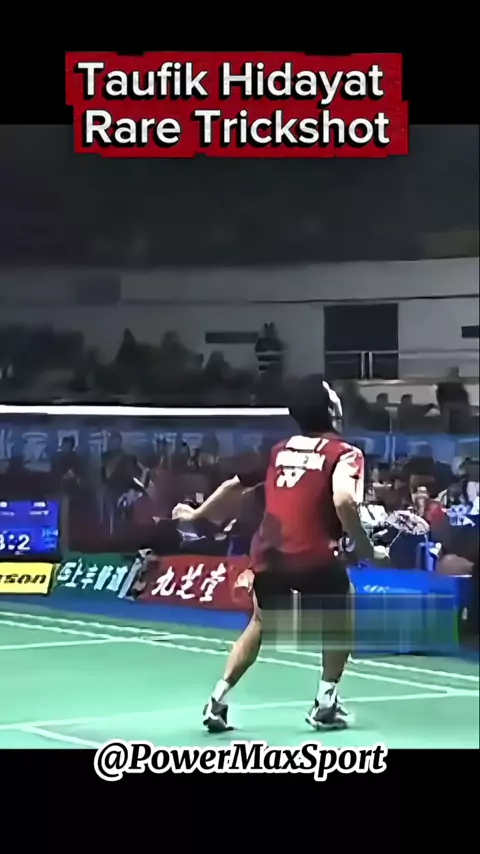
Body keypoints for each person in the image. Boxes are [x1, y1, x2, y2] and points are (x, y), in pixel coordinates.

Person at [173, 376, 389, 733]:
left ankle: (218, 700)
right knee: (339, 620)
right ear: (331, 410)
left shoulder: (279, 450)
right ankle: (325, 703)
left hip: (270, 556)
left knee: (260, 623)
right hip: (315, 556)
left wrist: (196, 516)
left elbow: (233, 486)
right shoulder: (345, 453)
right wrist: (368, 549)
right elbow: (344, 500)